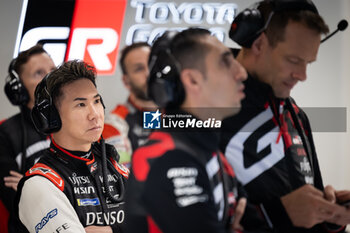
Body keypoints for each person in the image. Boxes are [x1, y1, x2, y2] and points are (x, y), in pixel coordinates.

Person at [221, 0, 350, 232]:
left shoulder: (295, 115)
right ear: (258, 44)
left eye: (308, 63)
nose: (303, 75)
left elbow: (302, 215)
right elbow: (176, 209)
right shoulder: (199, 104)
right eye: (293, 60)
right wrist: (276, 214)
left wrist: (329, 215)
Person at [125, 28, 271, 233]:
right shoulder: (170, 159)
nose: (241, 73)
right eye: (226, 62)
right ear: (192, 80)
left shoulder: (211, 153)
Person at [16, 60, 128, 233]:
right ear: (51, 118)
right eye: (81, 104)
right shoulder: (40, 184)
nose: (94, 115)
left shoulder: (114, 168)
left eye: (96, 101)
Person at [0, 44, 56, 233]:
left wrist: (32, 188)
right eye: (39, 73)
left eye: (53, 70)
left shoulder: (79, 123)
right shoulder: (5, 133)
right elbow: (18, 205)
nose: (50, 78)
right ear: (20, 89)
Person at [103, 42, 156, 166]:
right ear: (126, 81)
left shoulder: (179, 112)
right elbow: (123, 177)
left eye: (152, 65)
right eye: (139, 69)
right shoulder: (114, 124)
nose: (148, 74)